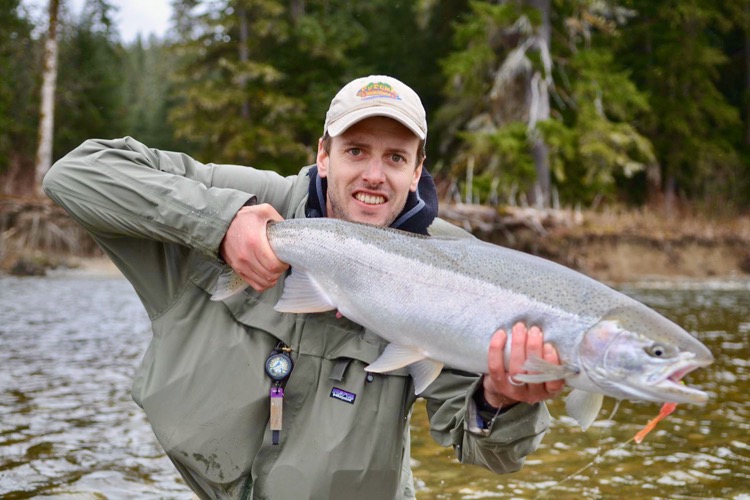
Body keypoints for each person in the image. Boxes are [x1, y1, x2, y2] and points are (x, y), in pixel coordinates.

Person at [44, 75, 564, 499]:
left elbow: (491, 454)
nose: (374, 176)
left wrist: (502, 399)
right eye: (356, 150)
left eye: (396, 157)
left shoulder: (455, 269)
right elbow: (75, 174)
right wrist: (222, 225)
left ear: (417, 170)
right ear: (324, 154)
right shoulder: (254, 199)